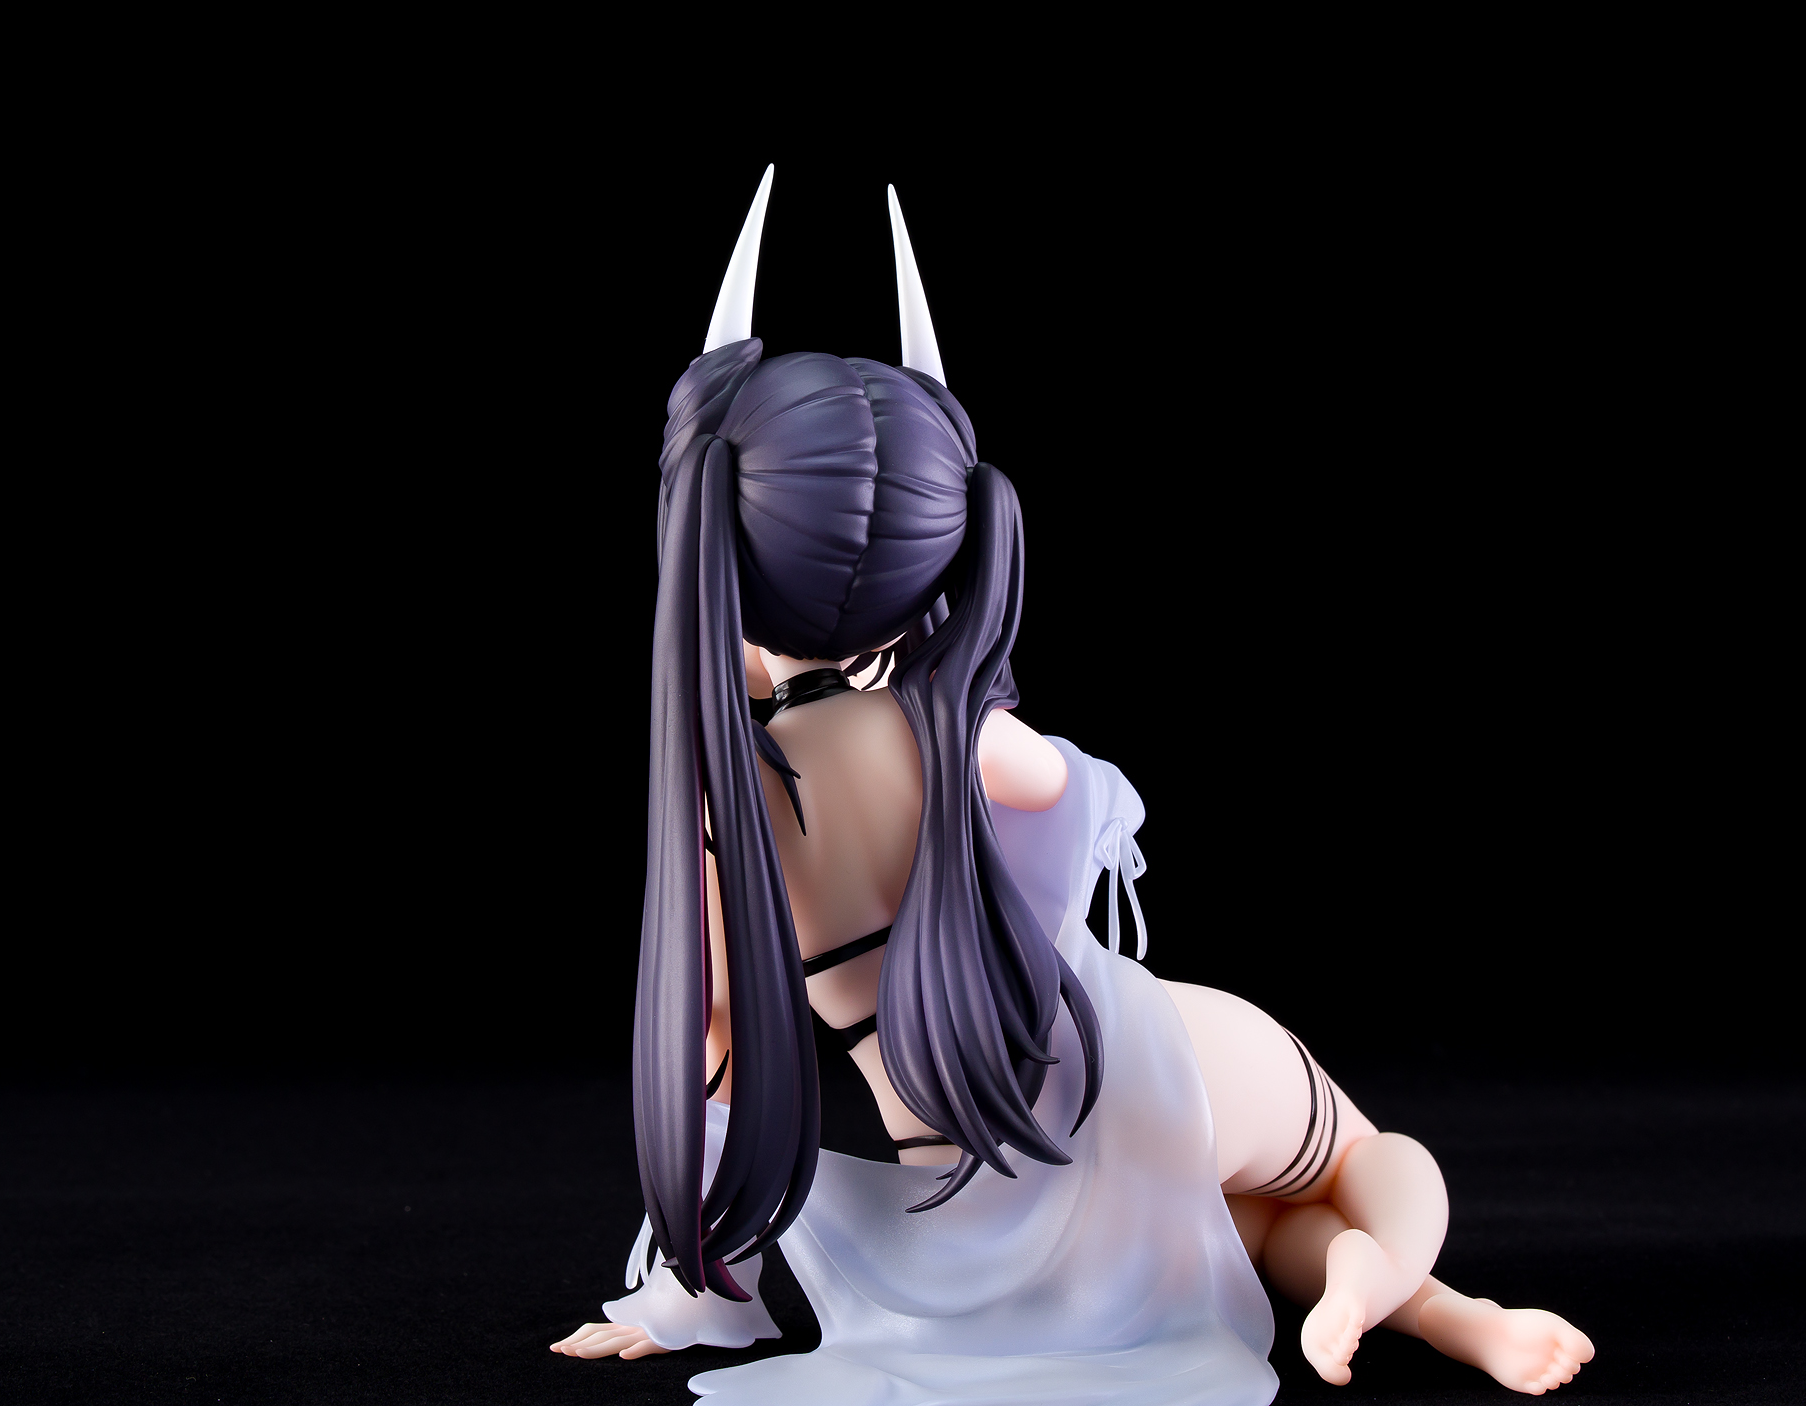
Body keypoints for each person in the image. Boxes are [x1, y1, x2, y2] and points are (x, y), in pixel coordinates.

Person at [550, 168, 1596, 1401]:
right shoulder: (957, 733)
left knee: (1241, 1235)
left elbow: (710, 1050)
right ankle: (1417, 1291)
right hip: (1142, 1063)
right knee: (1362, 1163)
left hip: (991, 1176)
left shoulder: (729, 803)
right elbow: (1093, 804)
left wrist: (691, 1295)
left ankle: (1398, 1296)